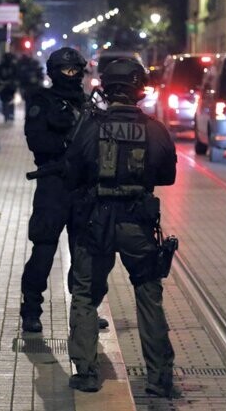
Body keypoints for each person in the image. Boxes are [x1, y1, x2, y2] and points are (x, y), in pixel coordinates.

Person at [64, 58, 181, 398]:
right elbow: (168, 175)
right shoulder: (154, 128)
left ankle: (85, 372)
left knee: (85, 293)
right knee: (148, 294)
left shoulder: (90, 125)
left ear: (106, 86)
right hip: (137, 223)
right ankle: (159, 378)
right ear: (138, 89)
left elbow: (72, 174)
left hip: (96, 221)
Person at [21, 47, 109, 333]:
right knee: (44, 249)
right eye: (66, 71)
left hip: (82, 187)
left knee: (84, 252)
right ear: (54, 72)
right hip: (54, 185)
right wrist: (67, 151)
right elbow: (37, 141)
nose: (71, 76)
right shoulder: (42, 102)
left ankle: (85, 309)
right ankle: (31, 309)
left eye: (75, 71)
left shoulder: (89, 104)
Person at [0, 52, 17, 121]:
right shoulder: (2, 66)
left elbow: (15, 76)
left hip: (10, 87)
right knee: (4, 101)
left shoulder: (13, 66)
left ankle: (10, 115)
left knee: (10, 101)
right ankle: (6, 115)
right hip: (4, 87)